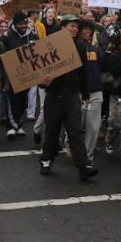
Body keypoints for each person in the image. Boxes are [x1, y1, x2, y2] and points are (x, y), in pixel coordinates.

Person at [39, 15, 97, 181]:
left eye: (76, 27)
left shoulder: (80, 46)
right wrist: (43, 83)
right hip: (54, 95)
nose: (75, 29)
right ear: (62, 27)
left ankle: (83, 166)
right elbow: (39, 71)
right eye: (71, 26)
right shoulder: (50, 44)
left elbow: (84, 72)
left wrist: (85, 94)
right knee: (52, 131)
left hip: (72, 96)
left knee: (75, 132)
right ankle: (46, 160)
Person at [1, 11, 38, 139]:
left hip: (27, 74)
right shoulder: (6, 37)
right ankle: (11, 127)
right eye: (20, 24)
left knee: (23, 101)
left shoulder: (32, 37)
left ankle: (19, 124)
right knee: (12, 100)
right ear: (15, 24)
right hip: (11, 75)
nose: (23, 26)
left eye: (25, 23)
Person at [77, 20, 105, 162]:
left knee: (93, 127)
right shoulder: (73, 48)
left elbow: (105, 65)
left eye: (90, 29)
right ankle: (71, 144)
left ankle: (87, 158)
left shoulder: (95, 50)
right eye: (85, 29)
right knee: (77, 124)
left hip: (95, 92)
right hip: (78, 93)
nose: (88, 32)